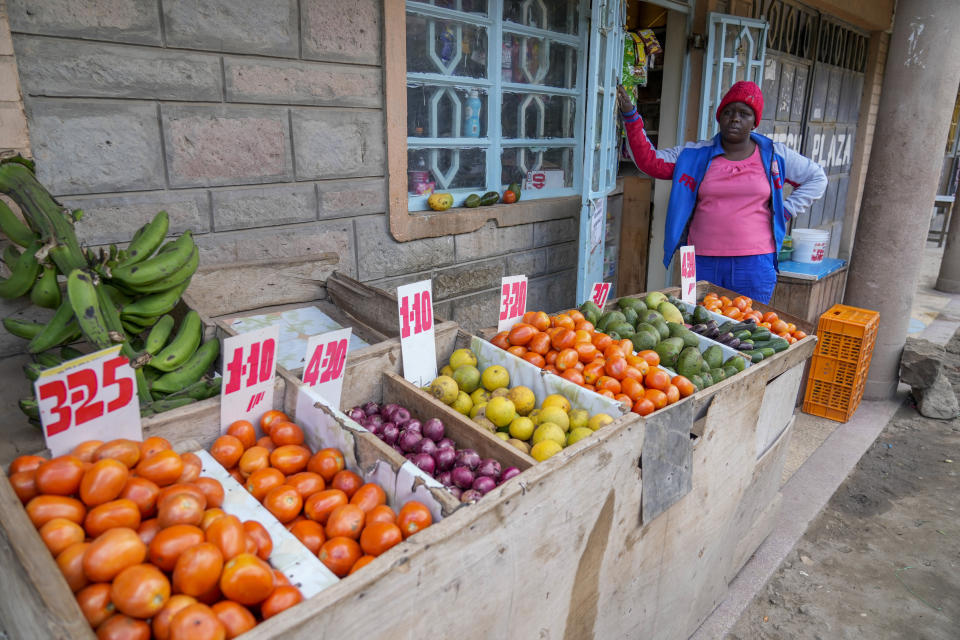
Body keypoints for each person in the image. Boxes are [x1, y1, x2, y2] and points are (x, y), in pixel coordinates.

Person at [618, 80, 827, 303]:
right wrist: (631, 117)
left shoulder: (774, 154)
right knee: (695, 326)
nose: (735, 118)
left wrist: (783, 210)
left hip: (755, 264)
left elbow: (817, 178)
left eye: (744, 113)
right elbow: (649, 162)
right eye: (728, 112)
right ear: (719, 118)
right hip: (699, 261)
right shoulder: (694, 155)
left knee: (747, 330)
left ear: (755, 122)